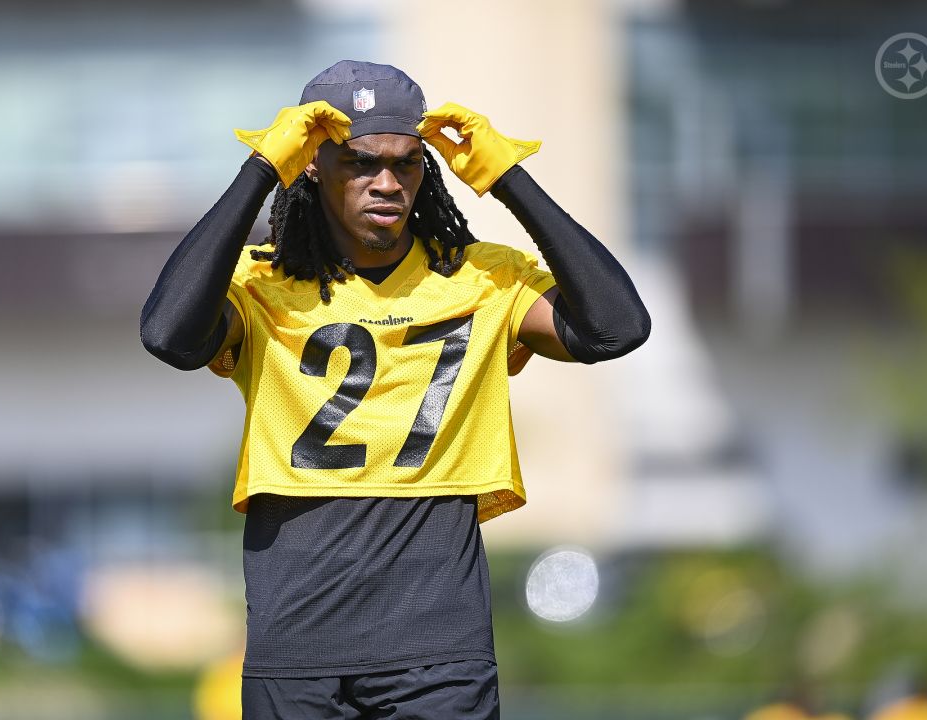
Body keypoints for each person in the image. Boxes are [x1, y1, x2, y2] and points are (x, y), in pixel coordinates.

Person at [140, 60, 650, 719]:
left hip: (439, 652)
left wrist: (508, 180)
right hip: (293, 653)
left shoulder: (483, 280)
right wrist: (263, 170)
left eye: (407, 164)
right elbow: (168, 335)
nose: (388, 183)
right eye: (360, 163)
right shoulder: (260, 285)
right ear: (314, 163)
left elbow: (616, 328)